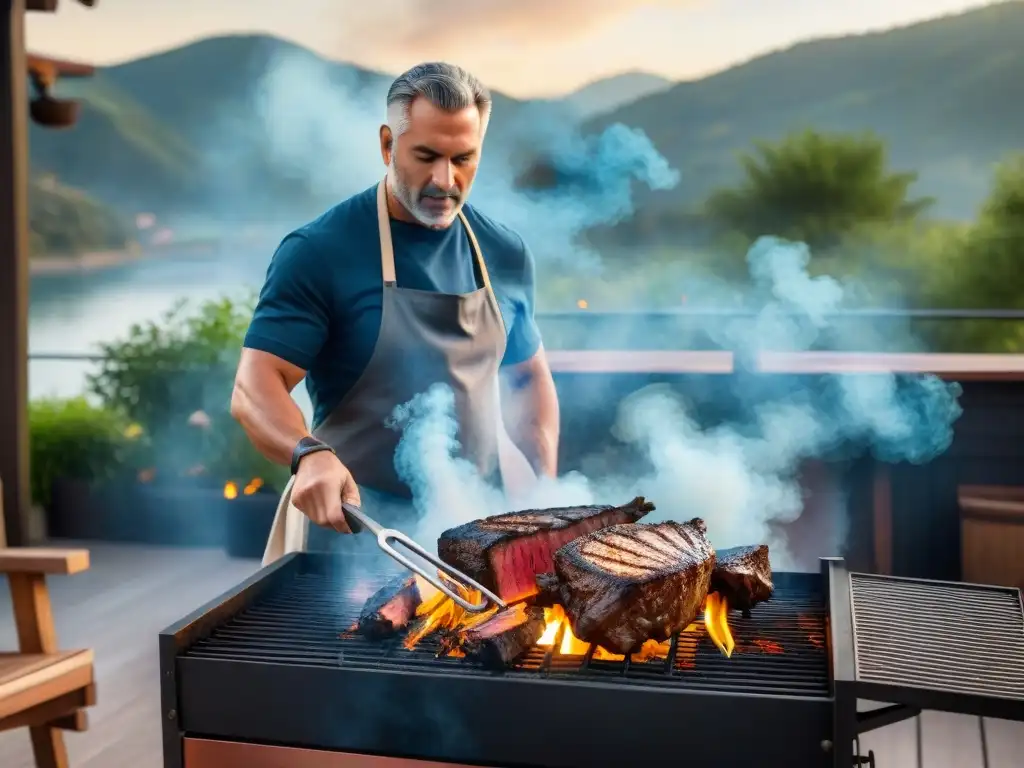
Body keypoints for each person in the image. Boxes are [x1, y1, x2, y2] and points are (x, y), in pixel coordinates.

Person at [230, 62, 560, 563]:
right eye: (426, 156)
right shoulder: (320, 250)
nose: (444, 180)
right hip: (352, 534)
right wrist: (307, 454)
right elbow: (254, 386)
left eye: (463, 159)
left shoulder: (504, 252)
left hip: (478, 535)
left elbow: (528, 378)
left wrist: (545, 501)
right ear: (388, 145)